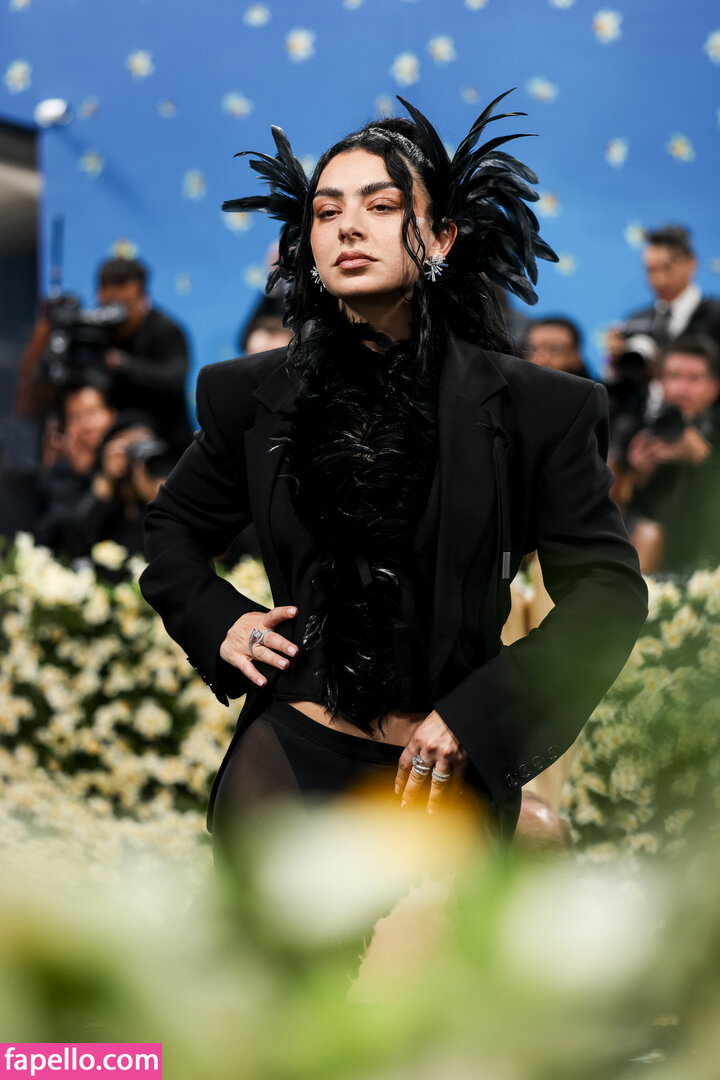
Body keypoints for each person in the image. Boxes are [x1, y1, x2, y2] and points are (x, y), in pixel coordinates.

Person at [139, 91, 648, 866]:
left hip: (442, 769)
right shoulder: (249, 394)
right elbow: (171, 530)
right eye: (325, 211)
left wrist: (480, 716)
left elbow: (608, 591)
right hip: (288, 753)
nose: (348, 226)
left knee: (447, 949)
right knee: (269, 945)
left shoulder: (541, 408)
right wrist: (220, 619)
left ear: (441, 236)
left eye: (381, 206)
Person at [625, 336, 720, 574]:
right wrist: (639, 476)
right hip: (653, 558)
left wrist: (703, 459)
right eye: (673, 376)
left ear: (713, 388)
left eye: (694, 378)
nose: (681, 389)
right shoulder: (644, 429)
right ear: (661, 382)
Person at [97, 258, 194, 454]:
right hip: (111, 446)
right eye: (109, 305)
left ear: (142, 297)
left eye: (124, 305)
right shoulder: (96, 335)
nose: (118, 314)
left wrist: (124, 365)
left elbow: (175, 380)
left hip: (168, 447)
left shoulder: (166, 331)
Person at [524, 316, 594, 379]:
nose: (540, 361)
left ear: (575, 355)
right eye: (533, 348)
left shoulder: (594, 388)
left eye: (554, 348)